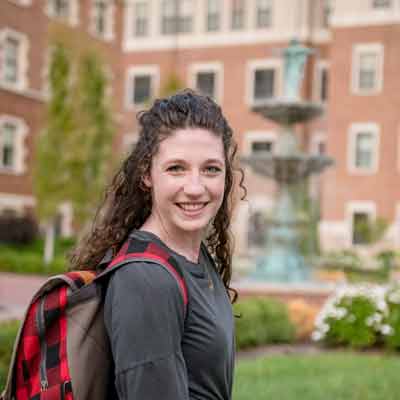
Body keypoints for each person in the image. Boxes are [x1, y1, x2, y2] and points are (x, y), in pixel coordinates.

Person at [69, 89, 246, 399]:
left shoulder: (194, 255)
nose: (195, 187)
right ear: (147, 175)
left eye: (211, 169)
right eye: (176, 168)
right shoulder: (145, 280)